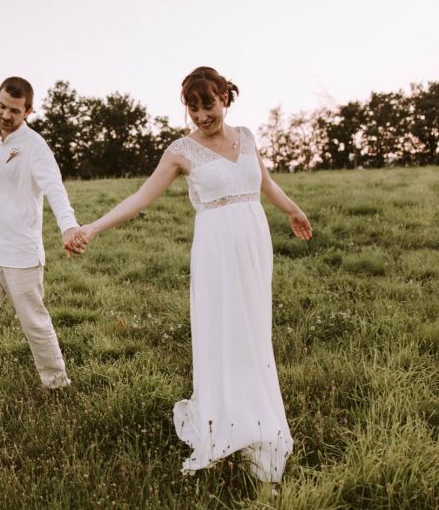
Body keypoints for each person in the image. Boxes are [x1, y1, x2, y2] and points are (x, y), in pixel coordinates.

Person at [69, 67, 312, 483]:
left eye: (209, 105)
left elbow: (266, 185)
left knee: (254, 332)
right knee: (225, 332)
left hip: (254, 246)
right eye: (193, 108)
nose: (201, 116)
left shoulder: (248, 137)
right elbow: (141, 197)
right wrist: (91, 227)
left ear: (225, 98)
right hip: (216, 252)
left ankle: (257, 416)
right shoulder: (181, 151)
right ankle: (226, 418)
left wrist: (292, 209)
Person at [0, 76, 85, 421]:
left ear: (28, 111)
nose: (6, 115)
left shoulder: (36, 147)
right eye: (2, 107)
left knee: (35, 323)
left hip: (21, 254)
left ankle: (56, 384)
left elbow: (54, 188)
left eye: (14, 110)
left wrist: (68, 225)